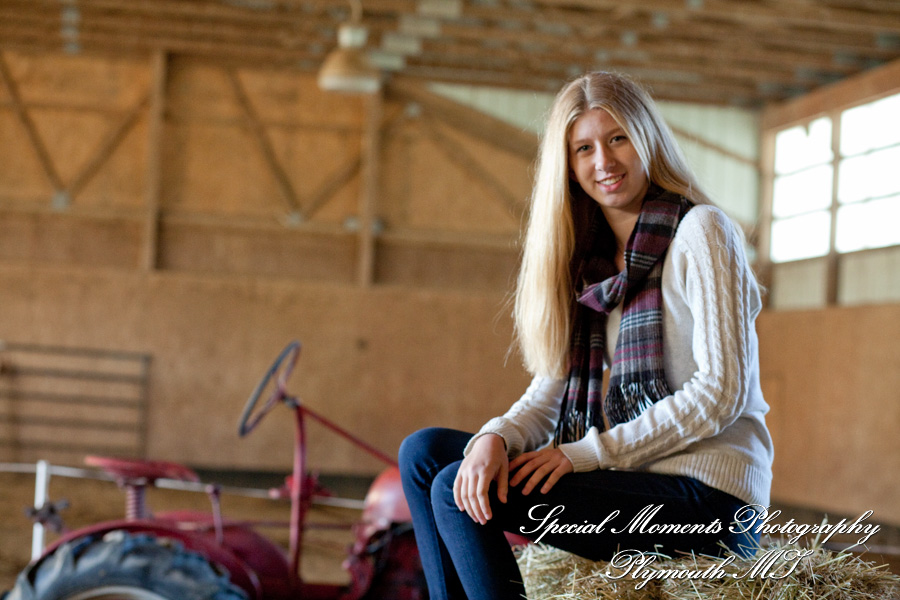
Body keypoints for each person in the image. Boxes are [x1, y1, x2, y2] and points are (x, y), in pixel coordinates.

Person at [399, 71, 774, 600]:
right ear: (568, 165)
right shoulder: (590, 266)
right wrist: (495, 438)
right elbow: (552, 391)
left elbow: (722, 393)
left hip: (709, 502)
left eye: (618, 138)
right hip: (629, 479)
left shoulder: (702, 232)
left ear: (647, 138)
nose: (604, 162)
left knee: (451, 489)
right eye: (584, 148)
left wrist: (582, 455)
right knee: (427, 455)